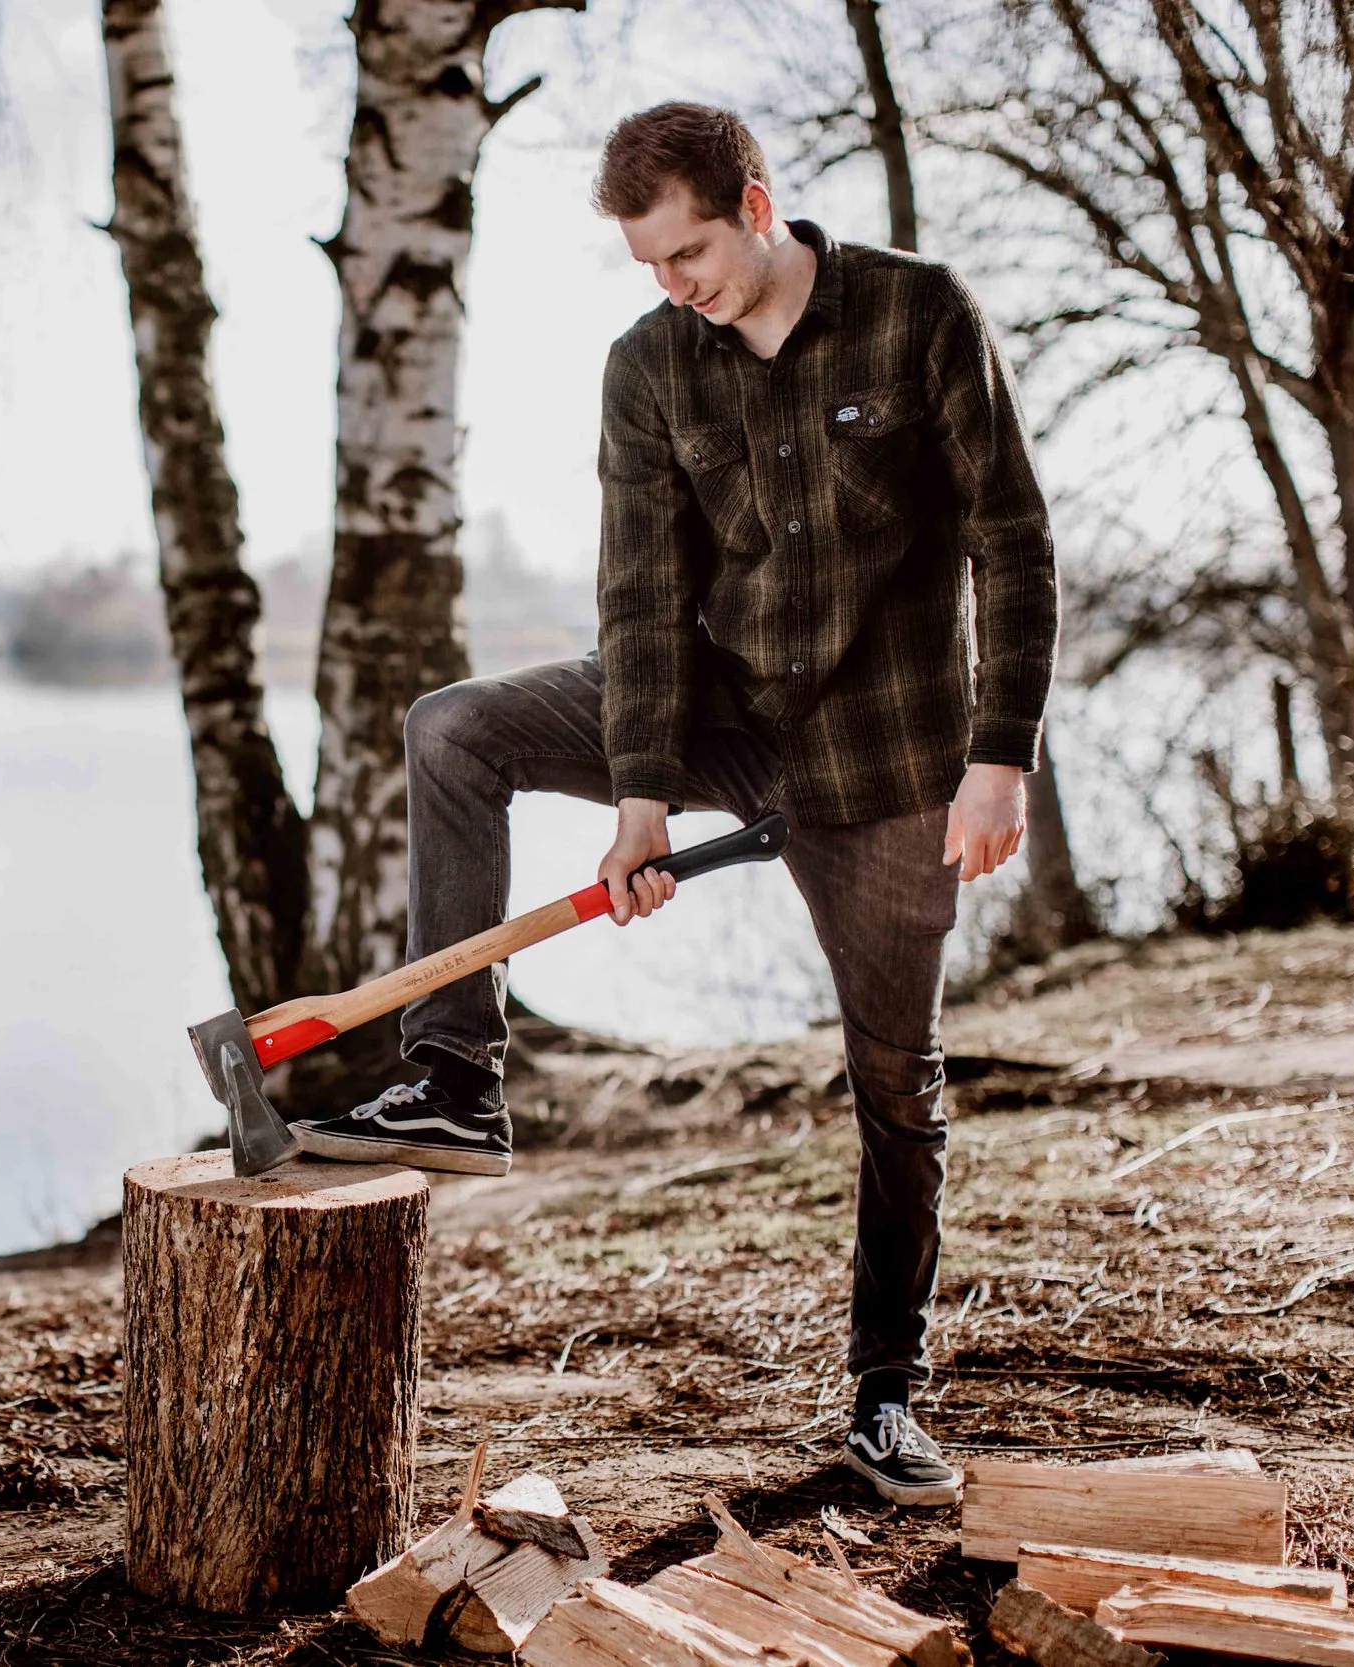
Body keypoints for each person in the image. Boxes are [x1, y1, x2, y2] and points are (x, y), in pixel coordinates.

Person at [289, 102, 1058, 1508]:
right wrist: (640, 796)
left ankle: (884, 1396)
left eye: (690, 250)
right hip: (715, 712)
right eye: (649, 261)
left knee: (897, 1082)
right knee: (451, 729)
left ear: (756, 205)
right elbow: (640, 598)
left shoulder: (919, 311)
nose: (674, 282)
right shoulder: (649, 366)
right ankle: (454, 1075)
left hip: (891, 758)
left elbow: (1012, 535)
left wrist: (999, 754)